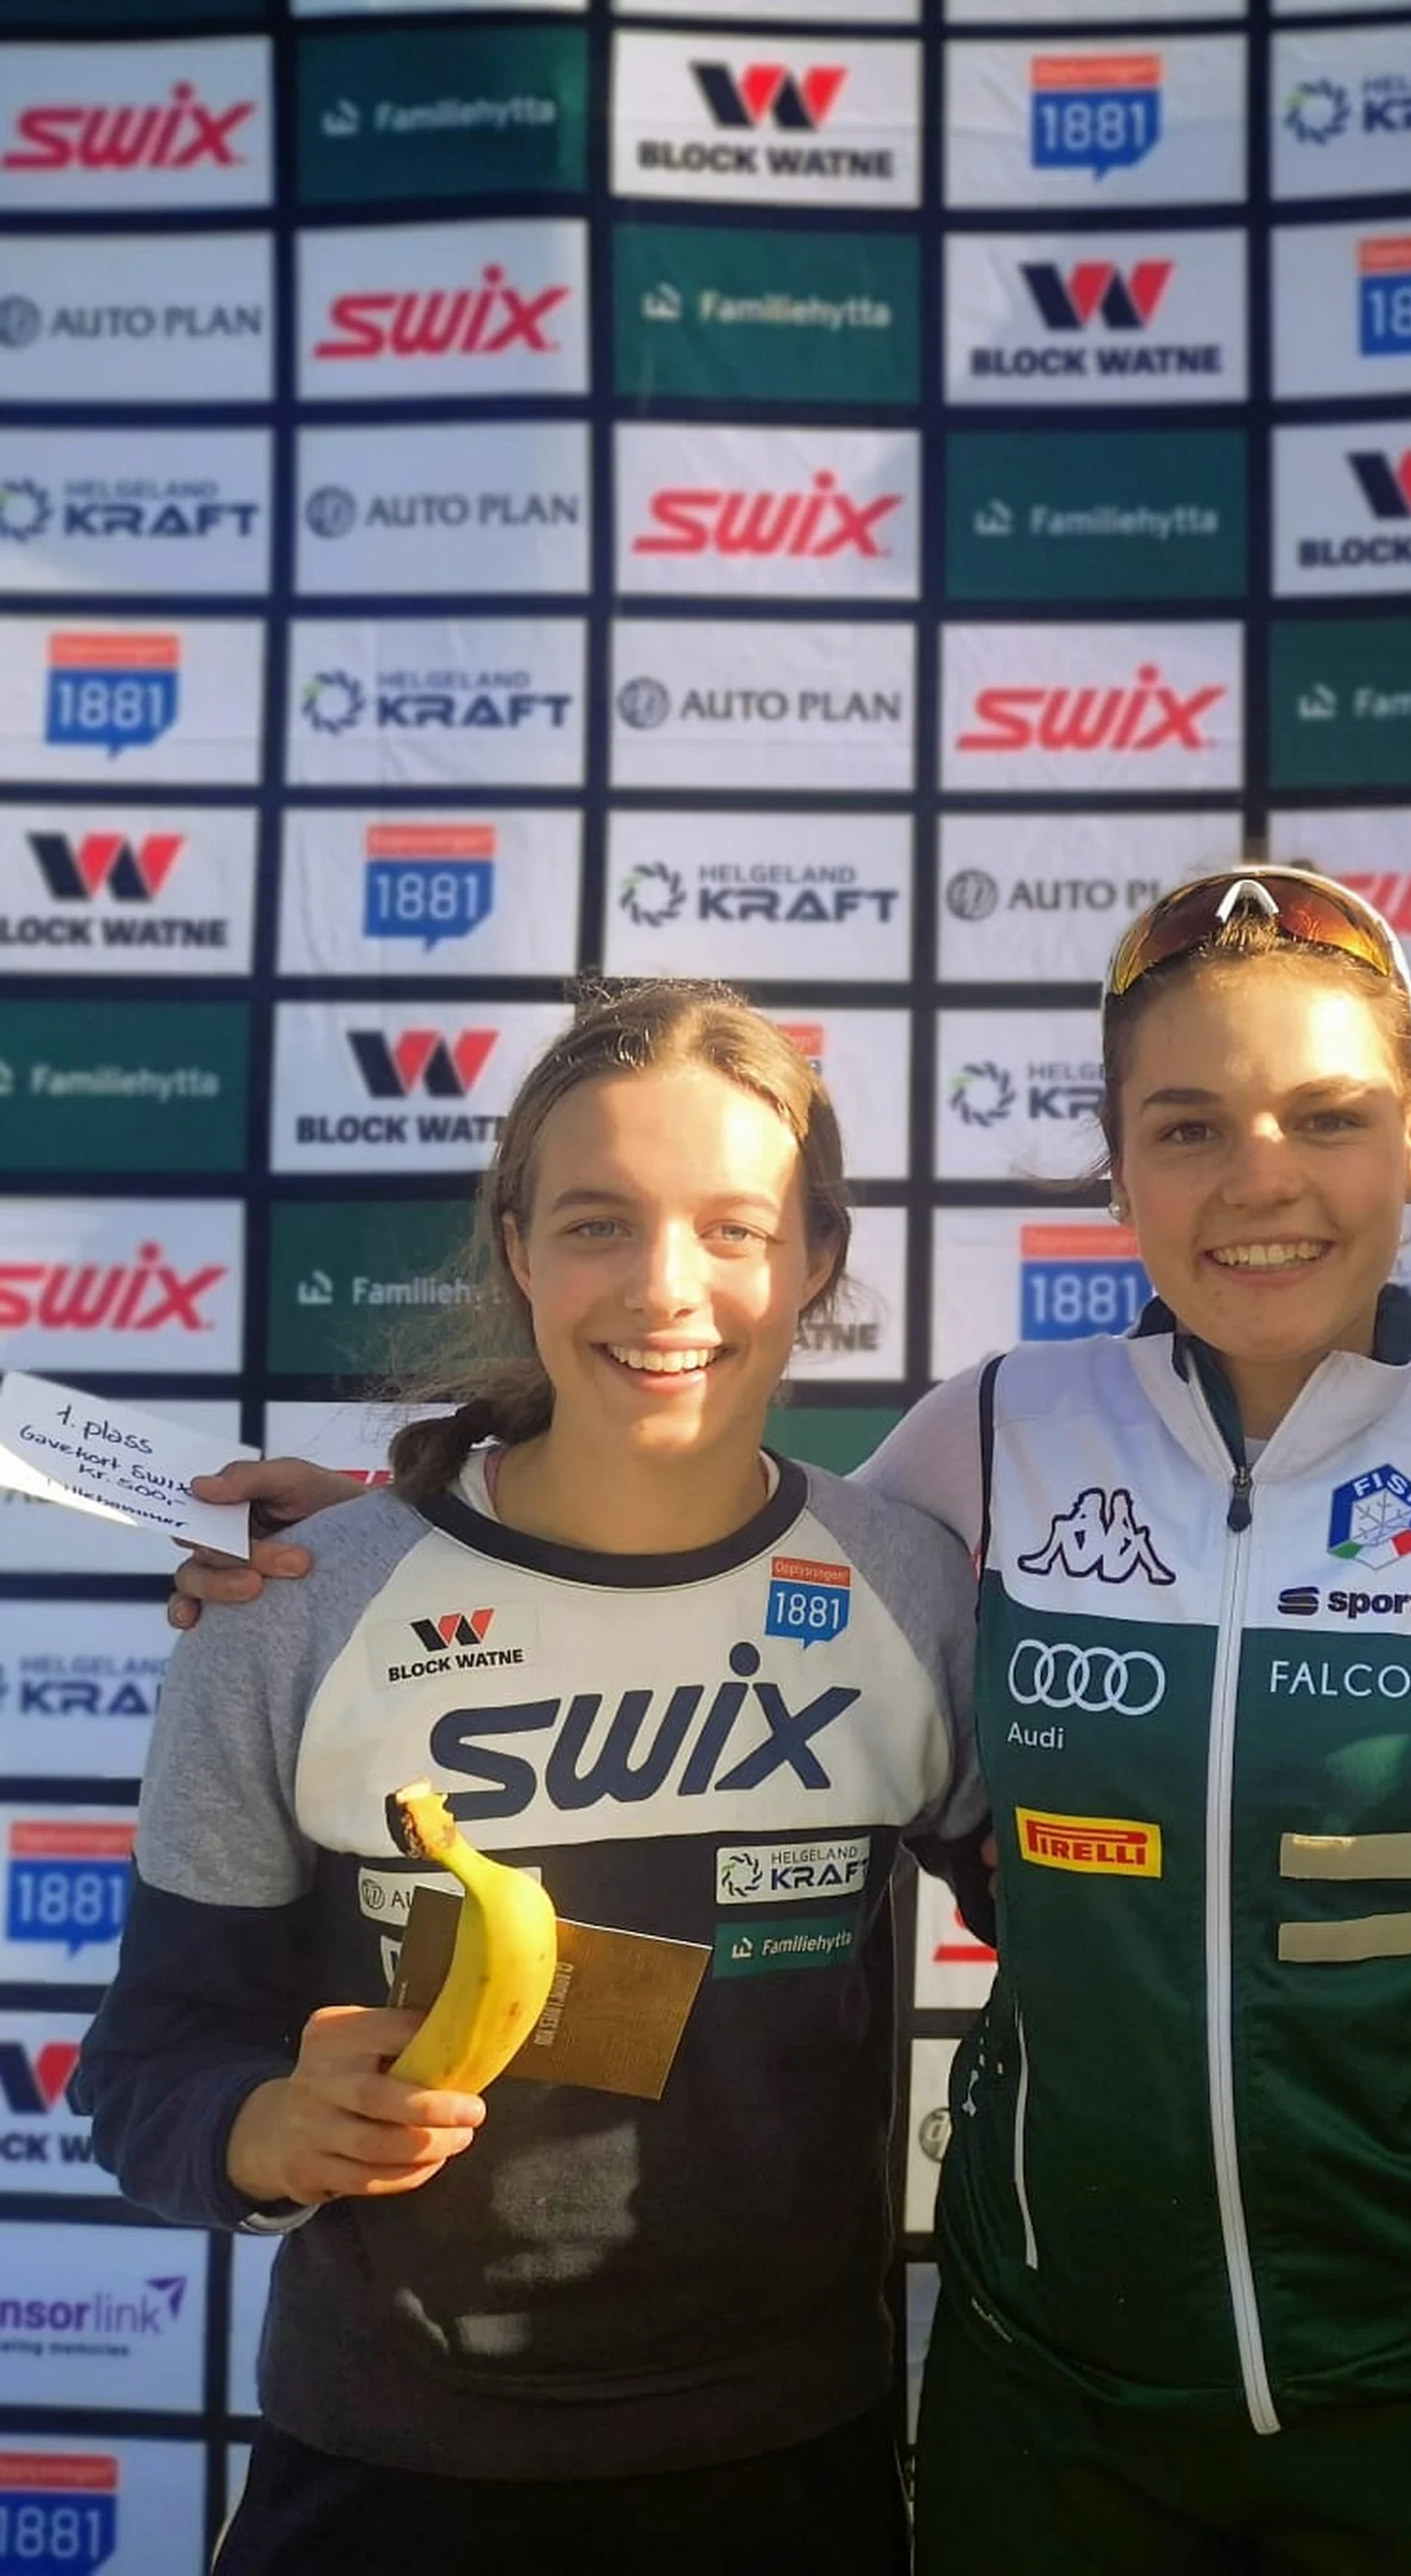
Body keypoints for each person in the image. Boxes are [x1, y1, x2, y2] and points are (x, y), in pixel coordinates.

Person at [167, 872, 1411, 2574]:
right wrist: (389, 1539)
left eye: (1327, 1116)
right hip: (1034, 2399)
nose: (1260, 1178)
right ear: (1115, 1165)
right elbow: (683, 1547)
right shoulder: (991, 1439)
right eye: (1187, 1127)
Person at [80, 981, 986, 2573]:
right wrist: (264, 2126)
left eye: (733, 1228)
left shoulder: (906, 1589)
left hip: (788, 2467)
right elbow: (148, 2065)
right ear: (516, 1248)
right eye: (596, 1224)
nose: (663, 1286)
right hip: (385, 2474)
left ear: (818, 1258)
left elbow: (1102, 1940)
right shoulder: (301, 1607)